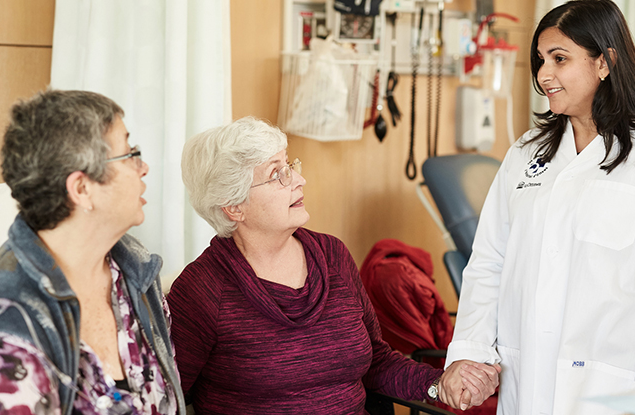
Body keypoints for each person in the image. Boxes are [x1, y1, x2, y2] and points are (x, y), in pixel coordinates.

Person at [440, 0, 635, 414]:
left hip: (618, 393)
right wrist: (469, 352)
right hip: (527, 384)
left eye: (559, 58)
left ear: (604, 62)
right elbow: (489, 261)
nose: (544, 74)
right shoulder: (527, 153)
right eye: (541, 59)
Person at [168, 117, 499, 414]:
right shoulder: (202, 291)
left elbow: (376, 362)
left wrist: (439, 385)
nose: (298, 180)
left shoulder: (332, 256)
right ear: (233, 208)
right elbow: (167, 398)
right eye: (276, 174)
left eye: (290, 165)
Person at [0, 90, 186, 415]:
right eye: (130, 154)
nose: (143, 167)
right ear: (82, 188)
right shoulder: (3, 338)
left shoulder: (137, 275)